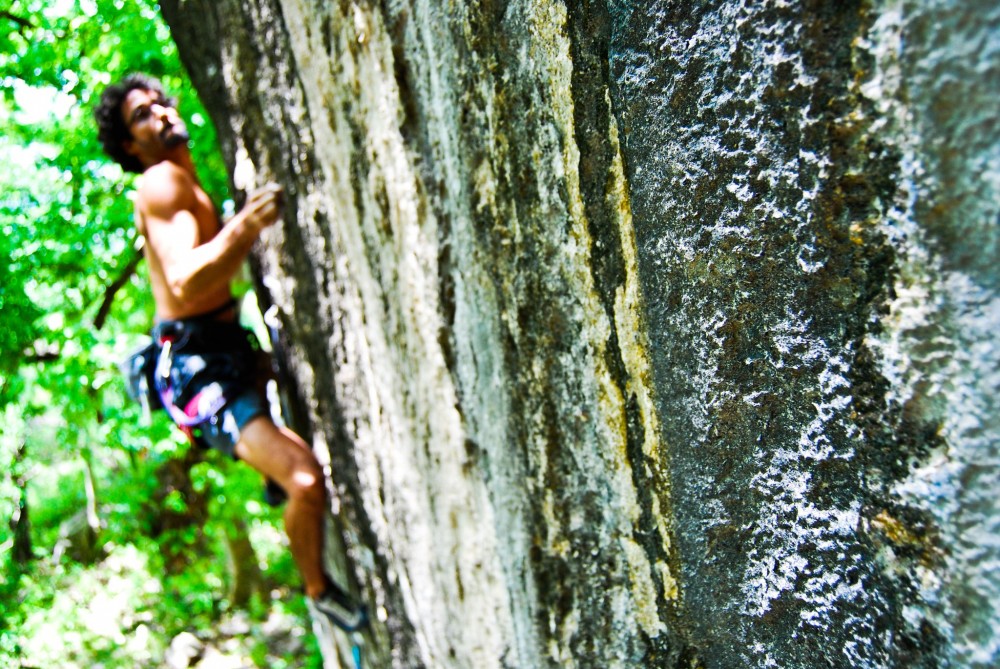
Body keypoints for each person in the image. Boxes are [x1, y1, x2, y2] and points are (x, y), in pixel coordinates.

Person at [95, 73, 365, 631]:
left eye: (161, 103)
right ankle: (319, 592)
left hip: (219, 349)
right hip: (198, 367)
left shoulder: (184, 182)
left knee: (296, 471)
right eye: (143, 115)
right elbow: (188, 280)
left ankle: (267, 456)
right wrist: (247, 225)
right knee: (306, 481)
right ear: (129, 145)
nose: (163, 114)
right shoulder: (160, 183)